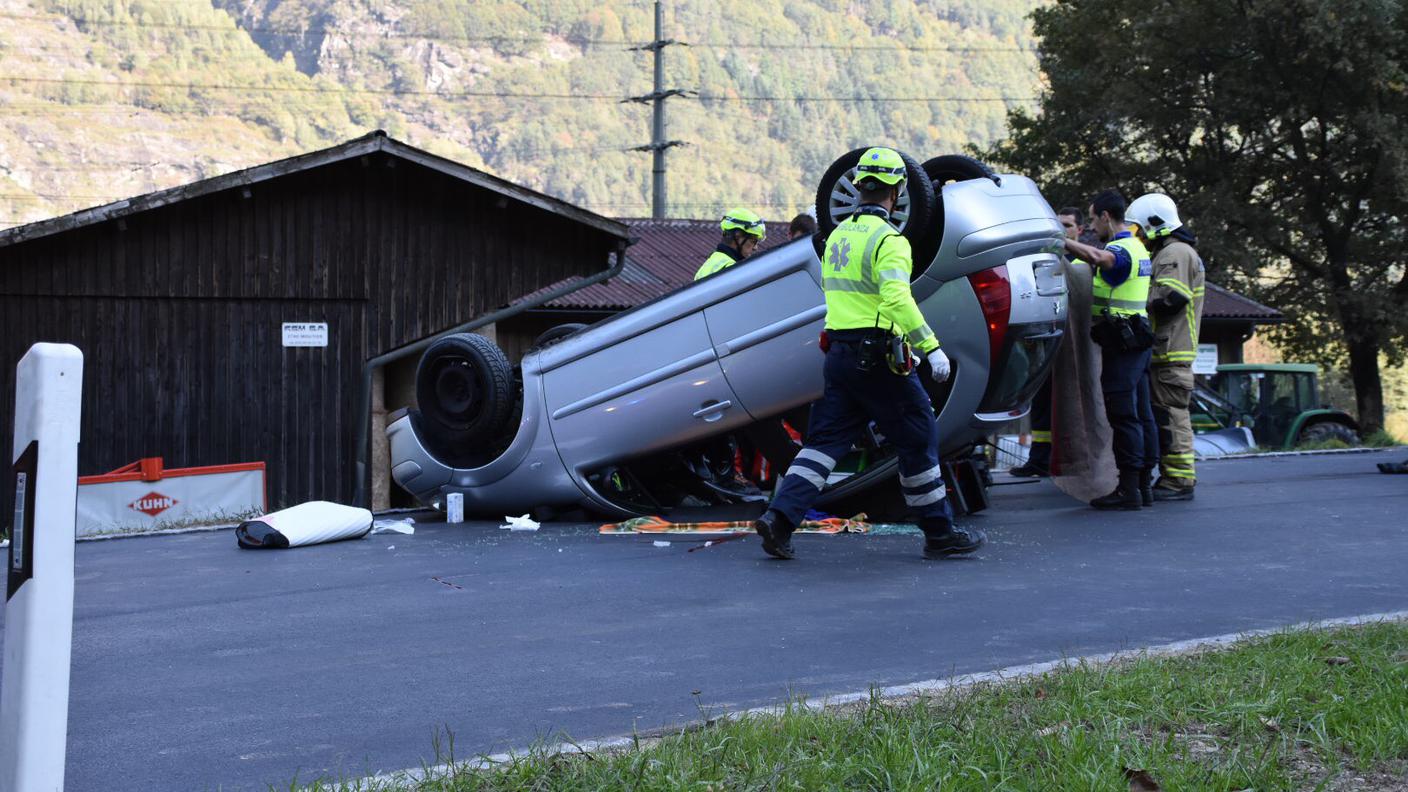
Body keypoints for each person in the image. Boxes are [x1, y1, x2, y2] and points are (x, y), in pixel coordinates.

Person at [752, 147, 985, 560]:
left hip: (840, 355)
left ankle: (779, 519)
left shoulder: (838, 237)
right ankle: (939, 532)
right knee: (918, 437)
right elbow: (896, 298)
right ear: (897, 191)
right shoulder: (889, 240)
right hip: (879, 358)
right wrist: (930, 347)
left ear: (859, 187)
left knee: (823, 444)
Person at [1062, 190, 1158, 510]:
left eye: (1092, 218)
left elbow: (1102, 259)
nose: (1091, 225)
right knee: (1142, 413)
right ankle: (1143, 485)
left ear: (1106, 217)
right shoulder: (1138, 245)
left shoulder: (1121, 248)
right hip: (1137, 339)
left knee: (1123, 414)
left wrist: (1062, 242)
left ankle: (1128, 489)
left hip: (1123, 341)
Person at [1128, 193, 1204, 501]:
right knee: (1164, 417)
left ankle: (1179, 480)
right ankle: (1172, 475)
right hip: (1165, 351)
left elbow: (1172, 297)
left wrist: (1134, 301)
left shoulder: (1175, 252)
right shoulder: (1171, 251)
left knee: (1172, 417)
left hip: (1172, 352)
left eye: (1141, 229)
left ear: (1154, 225)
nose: (1140, 236)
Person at [1010, 205, 1085, 478]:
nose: (1062, 230)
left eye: (1067, 225)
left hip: (1076, 353)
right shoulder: (1045, 263)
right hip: (1047, 348)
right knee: (1041, 406)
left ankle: (1074, 460)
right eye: (1058, 224)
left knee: (1074, 407)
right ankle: (1040, 459)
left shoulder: (1084, 264)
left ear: (1080, 230)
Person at [695, 208, 765, 280]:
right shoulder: (732, 269)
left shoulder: (712, 262)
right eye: (753, 241)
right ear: (738, 235)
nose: (755, 248)